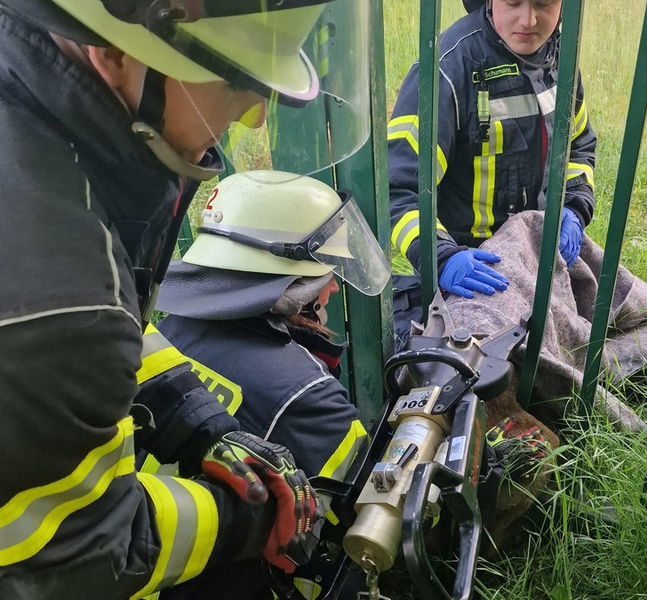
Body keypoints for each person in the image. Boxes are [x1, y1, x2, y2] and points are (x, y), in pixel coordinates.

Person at [0, 0, 371, 598]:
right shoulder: (61, 288)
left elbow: (112, 335)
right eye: (233, 78)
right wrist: (241, 521)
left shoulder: (52, 138)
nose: (253, 119)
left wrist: (197, 422)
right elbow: (79, 553)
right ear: (117, 49)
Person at [145, 170, 392, 600]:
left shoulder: (162, 336)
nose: (333, 286)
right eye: (324, 274)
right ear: (290, 290)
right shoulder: (304, 393)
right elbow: (369, 510)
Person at [388, 0, 597, 348]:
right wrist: (444, 258)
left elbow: (578, 146)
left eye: (544, 3)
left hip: (539, 254)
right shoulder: (447, 70)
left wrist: (574, 208)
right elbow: (399, 190)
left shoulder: (562, 58)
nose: (528, 19)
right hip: (472, 268)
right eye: (513, 1)